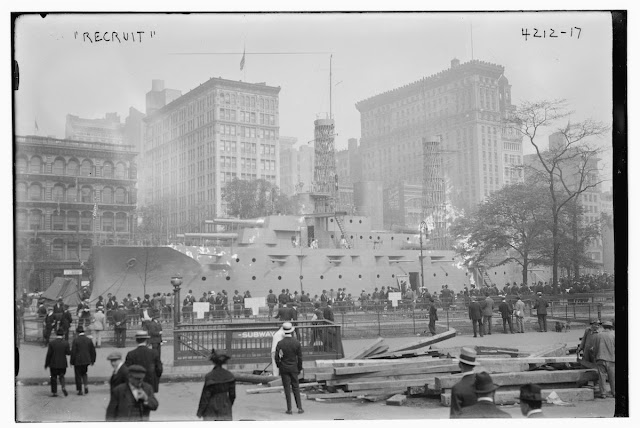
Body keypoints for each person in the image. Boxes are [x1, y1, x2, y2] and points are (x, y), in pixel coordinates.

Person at [197, 349, 236, 420]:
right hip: (225, 406)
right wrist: (228, 405)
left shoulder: (209, 376)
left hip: (211, 407)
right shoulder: (230, 375)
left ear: (213, 361)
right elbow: (232, 395)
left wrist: (200, 411)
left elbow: (205, 396)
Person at [275, 322, 304, 414]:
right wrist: (299, 368)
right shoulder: (296, 343)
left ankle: (289, 409)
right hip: (294, 367)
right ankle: (299, 408)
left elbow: (276, 357)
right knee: (296, 387)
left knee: (287, 388)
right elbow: (300, 357)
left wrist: (279, 365)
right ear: (292, 331)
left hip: (284, 367)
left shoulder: (280, 343)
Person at [450, 347, 479, 418]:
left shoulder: (457, 388)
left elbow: (454, 415)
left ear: (460, 365)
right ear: (474, 365)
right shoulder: (483, 384)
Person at [591, 320, 615, 398]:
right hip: (611, 359)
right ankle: (614, 392)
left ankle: (603, 393)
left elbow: (595, 348)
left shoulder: (598, 335)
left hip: (600, 358)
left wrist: (595, 357)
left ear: (603, 327)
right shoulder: (613, 335)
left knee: (602, 377)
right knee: (612, 377)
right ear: (611, 327)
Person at [70, 325, 96, 395]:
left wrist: (71, 361)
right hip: (86, 360)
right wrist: (93, 360)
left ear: (77, 332)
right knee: (84, 373)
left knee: (78, 375)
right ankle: (86, 385)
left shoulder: (76, 340)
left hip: (77, 360)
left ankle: (80, 390)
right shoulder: (88, 340)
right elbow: (93, 351)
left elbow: (73, 352)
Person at [44, 328, 70, 397]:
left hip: (53, 363)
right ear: (63, 335)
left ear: (56, 334)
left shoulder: (52, 343)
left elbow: (49, 354)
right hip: (63, 363)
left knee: (53, 377)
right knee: (62, 376)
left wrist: (46, 364)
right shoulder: (66, 343)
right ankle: (63, 386)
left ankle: (54, 392)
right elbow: (68, 353)